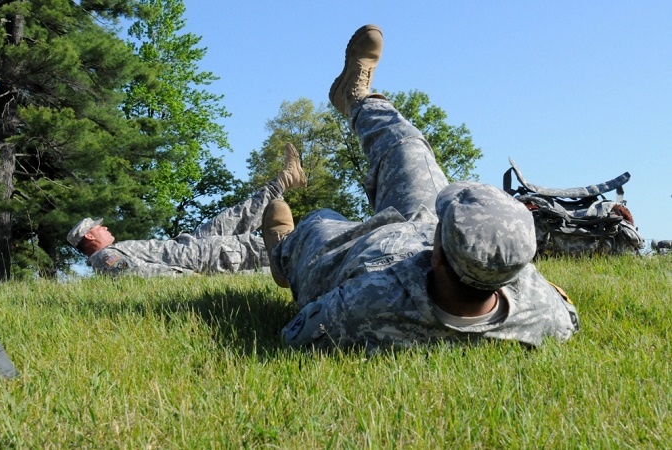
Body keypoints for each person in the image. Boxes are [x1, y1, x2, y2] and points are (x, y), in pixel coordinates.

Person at [261, 25, 579, 351]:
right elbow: (566, 315)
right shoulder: (543, 311)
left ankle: (282, 253)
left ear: (439, 254)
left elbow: (293, 338)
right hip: (421, 225)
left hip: (358, 257)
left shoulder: (362, 306)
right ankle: (356, 99)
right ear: (517, 272)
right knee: (409, 148)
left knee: (316, 224)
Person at [67, 144, 306, 278]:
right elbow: (138, 274)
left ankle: (285, 180)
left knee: (231, 218)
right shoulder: (104, 258)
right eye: (99, 227)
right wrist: (186, 276)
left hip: (187, 244)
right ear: (89, 235)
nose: (105, 227)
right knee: (262, 247)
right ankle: (308, 246)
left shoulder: (108, 254)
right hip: (195, 257)